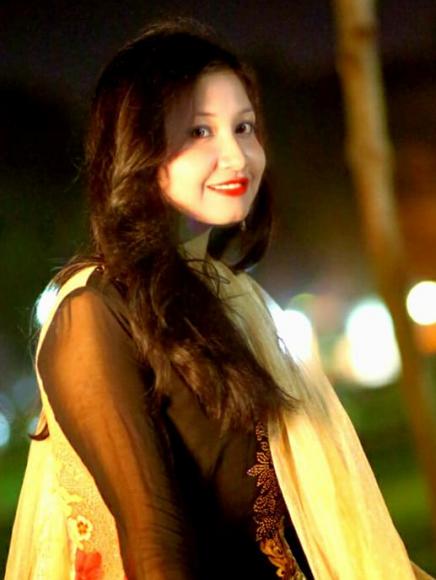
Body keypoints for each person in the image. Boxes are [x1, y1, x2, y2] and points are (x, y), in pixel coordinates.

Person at [5, 18, 432, 580]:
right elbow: (155, 549)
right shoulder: (94, 315)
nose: (236, 156)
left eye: (244, 127)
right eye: (200, 131)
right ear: (139, 146)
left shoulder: (232, 298)